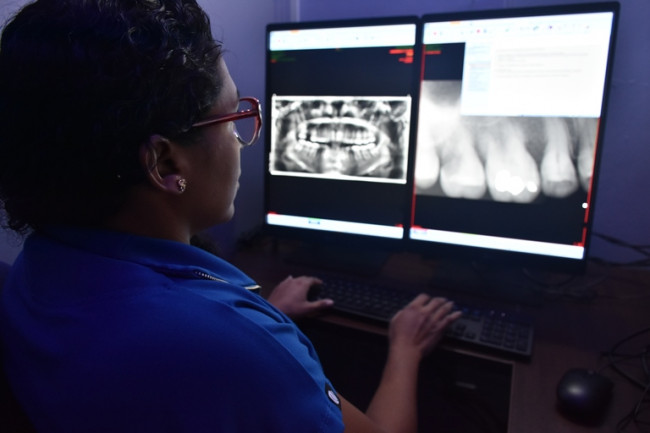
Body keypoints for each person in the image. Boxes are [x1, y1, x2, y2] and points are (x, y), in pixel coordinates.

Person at [0, 0, 461, 432]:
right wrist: (406, 347)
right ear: (166, 164)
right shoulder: (236, 348)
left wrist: (258, 315)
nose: (242, 139)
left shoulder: (33, 271)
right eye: (232, 116)